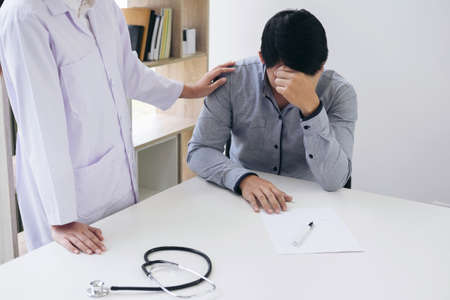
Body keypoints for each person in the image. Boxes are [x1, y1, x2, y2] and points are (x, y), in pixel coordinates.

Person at [0, 0, 234, 254]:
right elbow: (41, 123)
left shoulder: (102, 6)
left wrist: (190, 90)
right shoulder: (24, 15)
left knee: (125, 266)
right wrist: (61, 219)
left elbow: (129, 72)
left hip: (114, 175)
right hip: (66, 200)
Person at [187, 9, 357, 215]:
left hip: (310, 207)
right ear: (262, 58)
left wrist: (311, 108)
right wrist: (243, 179)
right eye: (284, 74)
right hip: (242, 199)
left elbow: (335, 180)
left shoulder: (339, 93)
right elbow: (200, 150)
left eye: (302, 76)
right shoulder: (232, 81)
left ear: (321, 66)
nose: (292, 84)